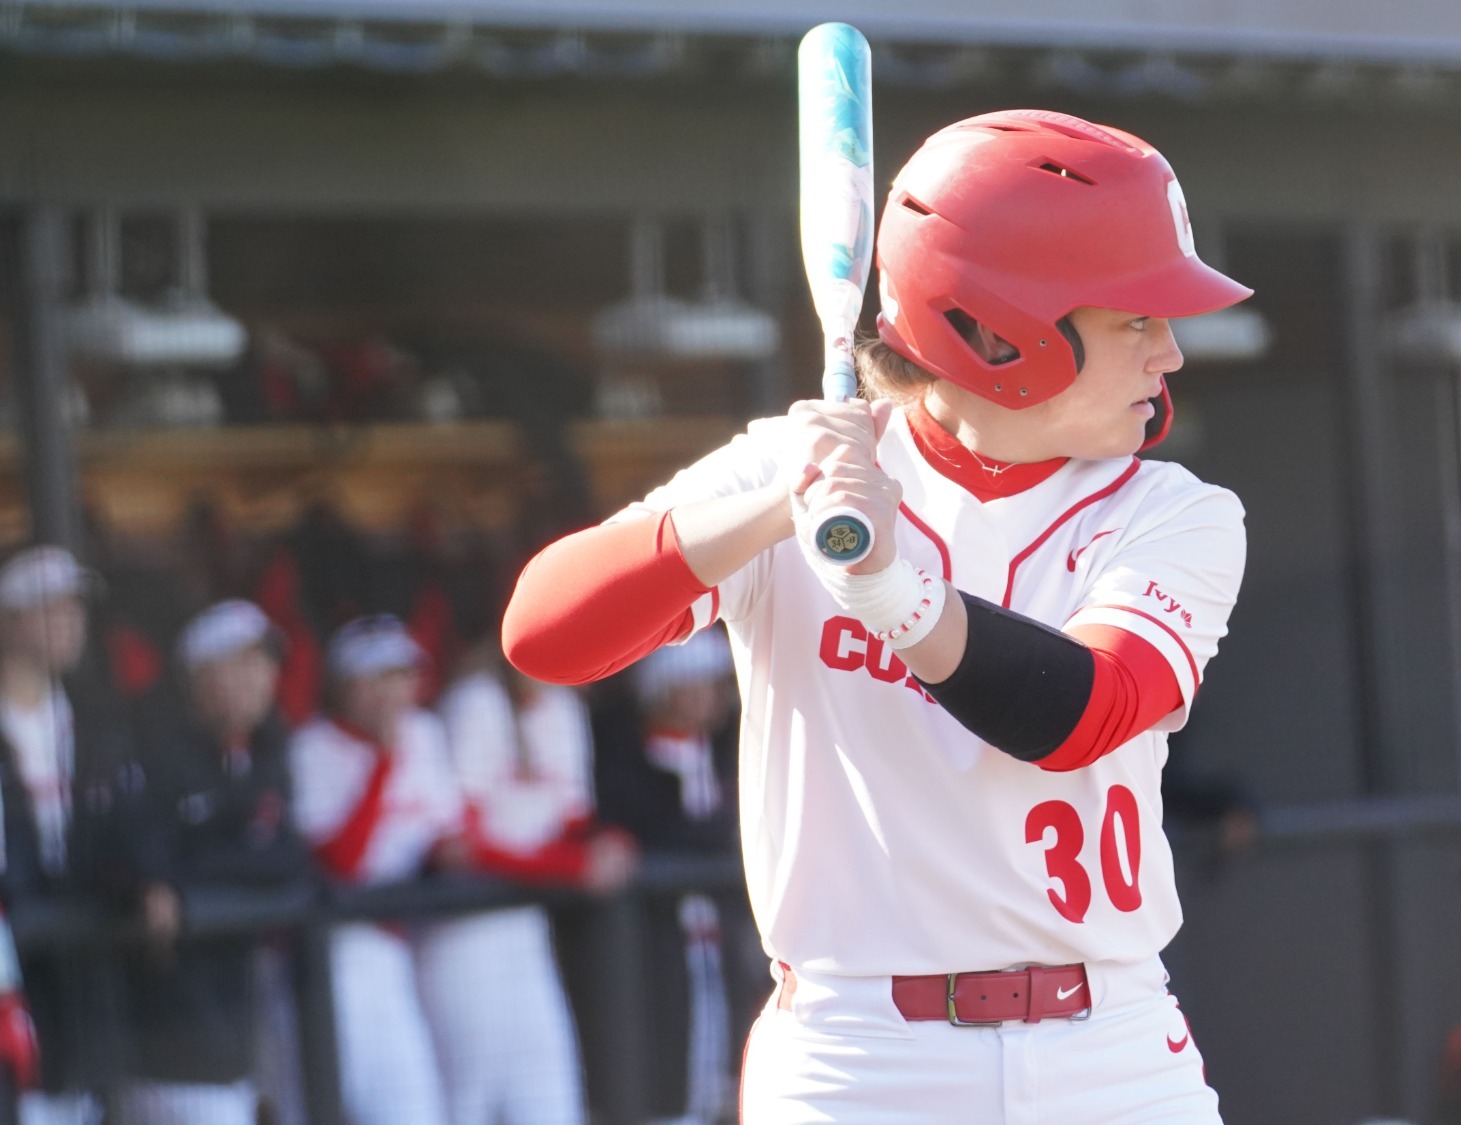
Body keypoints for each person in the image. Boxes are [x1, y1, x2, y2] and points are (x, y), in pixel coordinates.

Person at [505, 109, 1249, 1122]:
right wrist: (774, 503)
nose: (1168, 353)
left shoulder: (1173, 512)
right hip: (858, 1057)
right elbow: (546, 635)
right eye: (1134, 321)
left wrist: (893, 594)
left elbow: (1081, 713)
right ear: (1003, 334)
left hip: (1107, 1050)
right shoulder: (798, 470)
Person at [123, 600, 313, 1125]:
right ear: (199, 676)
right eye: (241, 664)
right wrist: (181, 881)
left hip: (247, 1018)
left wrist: (195, 872)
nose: (260, 679)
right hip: (169, 1033)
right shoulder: (151, 748)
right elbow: (139, 859)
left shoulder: (270, 747)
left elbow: (287, 859)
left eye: (265, 663)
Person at [430, 641, 635, 1125]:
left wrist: (612, 842)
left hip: (525, 929)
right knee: (468, 1103)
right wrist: (572, 866)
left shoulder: (564, 706)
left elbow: (572, 820)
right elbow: (461, 845)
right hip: (463, 934)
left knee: (550, 1096)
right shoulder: (476, 701)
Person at [289, 616, 462, 1125]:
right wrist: (384, 762)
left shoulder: (425, 734)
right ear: (344, 686)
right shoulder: (312, 747)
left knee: (416, 1110)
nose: (391, 691)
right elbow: (343, 863)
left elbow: (449, 840)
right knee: (334, 1105)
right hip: (337, 954)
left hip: (403, 948)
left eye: (401, 675)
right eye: (375, 678)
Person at [0, 546, 148, 1125]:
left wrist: (145, 881)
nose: (69, 622)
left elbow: (130, 832)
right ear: (8, 619)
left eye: (75, 609)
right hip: (16, 971)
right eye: (50, 608)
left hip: (83, 983)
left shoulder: (94, 721)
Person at [590, 631, 754, 1124]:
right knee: (670, 1072)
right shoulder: (631, 762)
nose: (710, 698)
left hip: (722, 940)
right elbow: (653, 829)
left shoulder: (726, 754)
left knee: (723, 1070)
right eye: (697, 686)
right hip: (657, 943)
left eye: (714, 685)